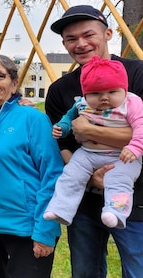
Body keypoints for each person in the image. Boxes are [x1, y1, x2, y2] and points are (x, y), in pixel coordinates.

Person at [45, 5, 143, 278]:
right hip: (85, 203)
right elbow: (63, 146)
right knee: (85, 272)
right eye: (71, 39)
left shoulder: (137, 74)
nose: (81, 44)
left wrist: (90, 131)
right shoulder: (60, 90)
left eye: (88, 35)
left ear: (108, 33)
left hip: (135, 199)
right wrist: (90, 178)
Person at [0, 54, 63, 278]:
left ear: (14, 82)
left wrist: (45, 231)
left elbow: (53, 175)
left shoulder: (32, 119)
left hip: (25, 227)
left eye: (0, 76)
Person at [44, 56, 143, 229]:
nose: (104, 98)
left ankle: (115, 213)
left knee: (119, 181)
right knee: (71, 175)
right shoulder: (82, 103)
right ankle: (61, 208)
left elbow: (141, 126)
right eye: (96, 93)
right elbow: (68, 117)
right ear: (86, 93)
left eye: (112, 92)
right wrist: (62, 127)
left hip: (121, 156)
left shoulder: (132, 103)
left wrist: (134, 147)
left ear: (124, 90)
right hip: (88, 153)